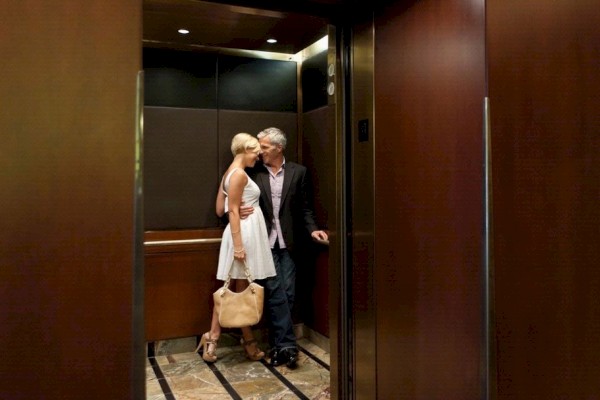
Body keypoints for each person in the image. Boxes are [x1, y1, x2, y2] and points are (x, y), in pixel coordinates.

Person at [243, 127, 329, 367]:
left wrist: (313, 229)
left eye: (265, 147)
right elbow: (239, 195)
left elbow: (304, 208)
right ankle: (287, 347)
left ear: (279, 148)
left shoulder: (298, 172)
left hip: (289, 243)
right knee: (275, 291)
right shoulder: (254, 173)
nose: (261, 152)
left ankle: (279, 346)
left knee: (286, 294)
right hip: (263, 243)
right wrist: (236, 209)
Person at [197, 133, 274, 363]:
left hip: (241, 232)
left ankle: (221, 338)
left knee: (236, 289)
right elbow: (228, 211)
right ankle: (219, 337)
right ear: (244, 150)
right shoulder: (239, 174)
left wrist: (235, 209)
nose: (257, 158)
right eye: (255, 153)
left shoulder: (228, 174)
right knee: (232, 288)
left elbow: (220, 209)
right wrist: (239, 245)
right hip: (243, 235)